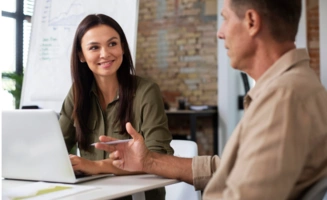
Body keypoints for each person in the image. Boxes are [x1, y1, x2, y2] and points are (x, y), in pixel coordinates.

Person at [95, 0, 327, 199]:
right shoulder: (287, 89)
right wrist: (148, 161)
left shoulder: (284, 100)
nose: (220, 32)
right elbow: (229, 169)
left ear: (251, 22)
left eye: (225, 19)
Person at [59, 14, 173, 200]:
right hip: (93, 195)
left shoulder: (146, 91)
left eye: (112, 44)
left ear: (123, 48)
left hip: (138, 196)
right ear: (81, 55)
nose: (105, 53)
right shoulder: (77, 94)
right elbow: (57, 146)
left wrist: (95, 166)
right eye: (94, 47)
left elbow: (157, 158)